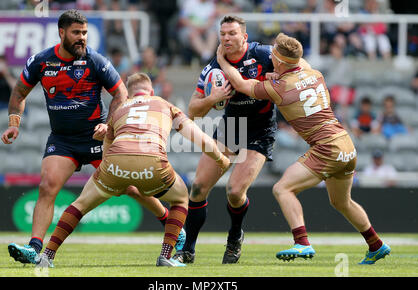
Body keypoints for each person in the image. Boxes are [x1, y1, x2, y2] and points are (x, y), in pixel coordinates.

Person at [1, 10, 181, 265]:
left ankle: (172, 225)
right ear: (61, 32)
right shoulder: (40, 62)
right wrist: (14, 124)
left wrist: (108, 127)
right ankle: (34, 248)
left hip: (97, 138)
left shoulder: (95, 61)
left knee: (129, 187)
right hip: (63, 140)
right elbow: (19, 93)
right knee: (47, 186)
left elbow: (120, 93)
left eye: (84, 33)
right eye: (76, 33)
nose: (82, 38)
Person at [216, 32, 390, 264]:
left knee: (282, 189)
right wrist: (277, 69)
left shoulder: (278, 88)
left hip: (326, 147)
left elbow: (239, 84)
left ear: (279, 60)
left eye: (274, 54)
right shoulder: (314, 73)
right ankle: (376, 244)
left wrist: (221, 60)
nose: (271, 57)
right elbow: (294, 65)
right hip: (346, 144)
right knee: (341, 202)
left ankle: (302, 243)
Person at [36, 73, 230, 268]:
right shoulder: (165, 104)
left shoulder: (120, 109)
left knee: (79, 205)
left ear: (129, 95)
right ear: (151, 92)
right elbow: (200, 138)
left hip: (114, 164)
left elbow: (106, 149)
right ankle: (165, 255)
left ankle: (47, 255)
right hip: (152, 163)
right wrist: (220, 159)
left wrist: (114, 180)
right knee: (180, 199)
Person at [173, 15, 277, 265]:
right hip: (232, 127)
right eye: (223, 34)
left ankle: (234, 237)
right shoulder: (212, 68)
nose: (227, 38)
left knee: (235, 191)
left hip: (260, 130)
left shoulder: (264, 55)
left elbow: (295, 63)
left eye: (232, 33)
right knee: (197, 188)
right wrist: (213, 98)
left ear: (244, 37)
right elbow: (193, 110)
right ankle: (188, 249)